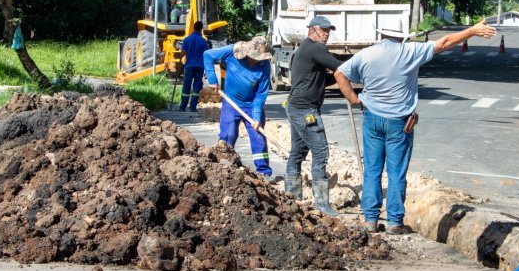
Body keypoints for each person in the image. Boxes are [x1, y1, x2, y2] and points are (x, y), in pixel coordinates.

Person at [335, 19, 496, 234]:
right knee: (396, 173)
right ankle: (394, 222)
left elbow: (339, 74)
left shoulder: (366, 54)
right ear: (402, 36)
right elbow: (444, 43)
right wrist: (472, 31)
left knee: (372, 171)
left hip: (372, 119)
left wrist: (355, 99)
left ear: (380, 34)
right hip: (399, 123)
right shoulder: (409, 51)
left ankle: (370, 220)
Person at [284, 16, 344, 215]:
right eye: (323, 30)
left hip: (296, 106)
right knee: (320, 152)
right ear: (311, 30)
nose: (326, 34)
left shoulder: (305, 49)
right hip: (305, 110)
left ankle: (291, 197)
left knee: (298, 151)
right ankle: (322, 204)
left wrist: (334, 77)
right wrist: (359, 63)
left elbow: (319, 79)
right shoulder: (315, 48)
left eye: (329, 31)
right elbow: (339, 66)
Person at [204, 36, 273, 177]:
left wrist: (257, 116)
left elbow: (261, 94)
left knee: (258, 135)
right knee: (228, 134)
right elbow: (208, 55)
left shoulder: (264, 66)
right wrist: (212, 79)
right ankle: (223, 168)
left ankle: (264, 172)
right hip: (231, 102)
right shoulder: (233, 51)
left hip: (252, 104)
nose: (255, 60)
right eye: (254, 57)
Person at [178, 21, 209, 112]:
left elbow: (183, 53)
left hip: (189, 66)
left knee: (186, 86)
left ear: (194, 28)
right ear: (201, 29)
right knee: (196, 86)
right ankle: (192, 107)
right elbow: (206, 55)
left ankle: (182, 106)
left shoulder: (187, 39)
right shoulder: (204, 41)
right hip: (200, 66)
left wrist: (180, 61)